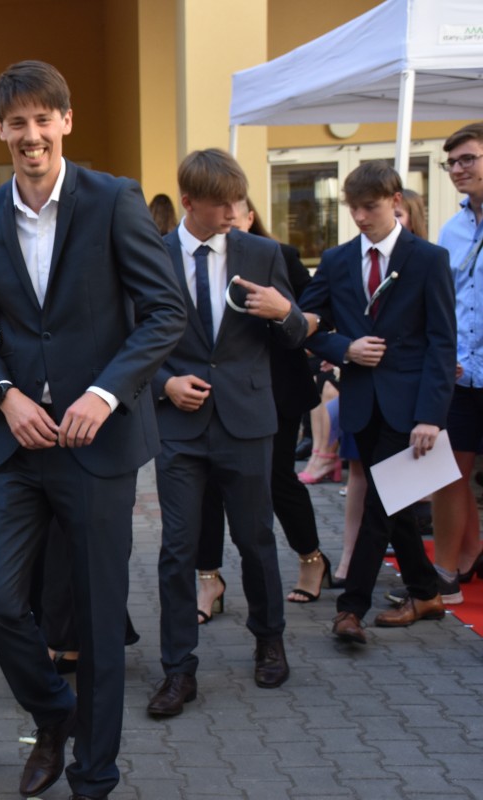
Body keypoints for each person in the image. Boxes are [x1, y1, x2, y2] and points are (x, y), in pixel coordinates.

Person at [0, 60, 187, 800]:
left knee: (95, 620)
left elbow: (166, 313)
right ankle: (56, 715)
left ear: (66, 121)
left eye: (42, 119)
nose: (31, 135)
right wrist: (4, 396)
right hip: (17, 444)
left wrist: (106, 394)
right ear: (0, 130)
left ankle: (95, 778)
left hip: (97, 444)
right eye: (16, 122)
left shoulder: (114, 200)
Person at [152, 150, 307, 718]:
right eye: (221, 204)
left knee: (255, 538)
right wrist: (165, 384)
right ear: (188, 203)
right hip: (179, 426)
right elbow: (131, 339)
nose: (233, 213)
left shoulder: (263, 253)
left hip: (246, 421)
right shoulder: (152, 255)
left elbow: (297, 337)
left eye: (237, 202)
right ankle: (178, 669)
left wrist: (283, 311)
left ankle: (269, 641)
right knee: (177, 549)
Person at [299, 160, 456, 644]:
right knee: (396, 503)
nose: (360, 217)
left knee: (380, 504)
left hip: (410, 408)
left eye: (369, 207)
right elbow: (307, 323)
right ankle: (425, 593)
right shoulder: (336, 260)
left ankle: (351, 608)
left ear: (395, 201)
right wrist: (344, 348)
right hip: (361, 403)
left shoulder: (428, 258)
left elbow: (442, 343)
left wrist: (430, 416)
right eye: (353, 208)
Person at [193, 196, 330, 617]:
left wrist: (286, 312)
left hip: (276, 389)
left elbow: (316, 312)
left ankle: (311, 558)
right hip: (213, 391)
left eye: (235, 212)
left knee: (277, 479)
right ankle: (208, 579)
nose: (227, 220)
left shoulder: (279, 255)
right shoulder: (194, 257)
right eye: (219, 210)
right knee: (207, 486)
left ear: (251, 217)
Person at [427, 122, 483, 604]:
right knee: (448, 474)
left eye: (468, 159)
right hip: (461, 375)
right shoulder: (452, 228)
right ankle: (446, 572)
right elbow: (446, 301)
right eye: (452, 163)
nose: (457, 169)